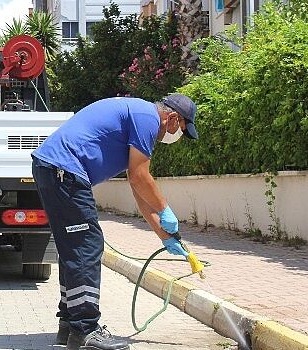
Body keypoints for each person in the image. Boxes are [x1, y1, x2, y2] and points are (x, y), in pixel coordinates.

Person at [31, 94, 199, 350]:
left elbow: (138, 189)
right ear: (173, 117)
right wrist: (166, 209)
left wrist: (163, 236)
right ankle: (85, 329)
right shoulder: (148, 120)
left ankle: (70, 324)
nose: (177, 137)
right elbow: (140, 177)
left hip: (54, 169)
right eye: (182, 130)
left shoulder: (139, 117)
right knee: (87, 246)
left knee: (75, 248)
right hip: (64, 170)